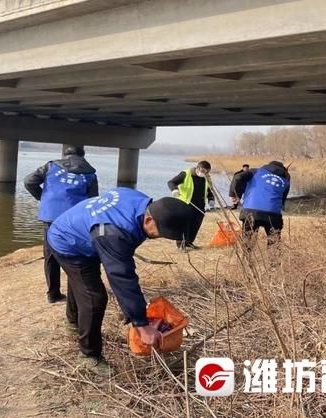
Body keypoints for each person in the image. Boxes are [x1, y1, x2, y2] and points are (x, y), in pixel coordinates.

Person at [46, 189, 191, 374]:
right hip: (67, 242)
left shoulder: (139, 201)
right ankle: (88, 355)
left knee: (82, 283)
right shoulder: (115, 233)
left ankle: (73, 323)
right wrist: (141, 323)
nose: (158, 238)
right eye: (160, 234)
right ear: (149, 220)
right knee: (94, 298)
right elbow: (122, 277)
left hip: (80, 229)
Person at [24, 145, 98, 304]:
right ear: (83, 155)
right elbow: (93, 202)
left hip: (51, 217)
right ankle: (76, 292)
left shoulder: (50, 166)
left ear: (65, 154)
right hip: (75, 220)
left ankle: (53, 294)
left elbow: (29, 181)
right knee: (77, 254)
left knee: (51, 256)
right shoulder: (90, 173)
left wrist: (42, 197)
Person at [231, 161, 291, 247]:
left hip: (250, 211)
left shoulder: (255, 171)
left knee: (248, 242)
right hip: (273, 213)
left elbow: (238, 177)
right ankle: (273, 259)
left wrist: (235, 194)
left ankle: (247, 258)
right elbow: (283, 198)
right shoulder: (285, 179)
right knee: (274, 244)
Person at [167, 161, 214, 250]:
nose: (205, 173)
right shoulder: (186, 174)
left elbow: (209, 190)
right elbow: (171, 182)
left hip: (200, 205)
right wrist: (174, 190)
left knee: (196, 224)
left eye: (207, 171)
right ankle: (181, 244)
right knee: (184, 224)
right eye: (203, 170)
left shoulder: (206, 177)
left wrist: (211, 199)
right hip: (186, 203)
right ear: (198, 167)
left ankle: (189, 242)